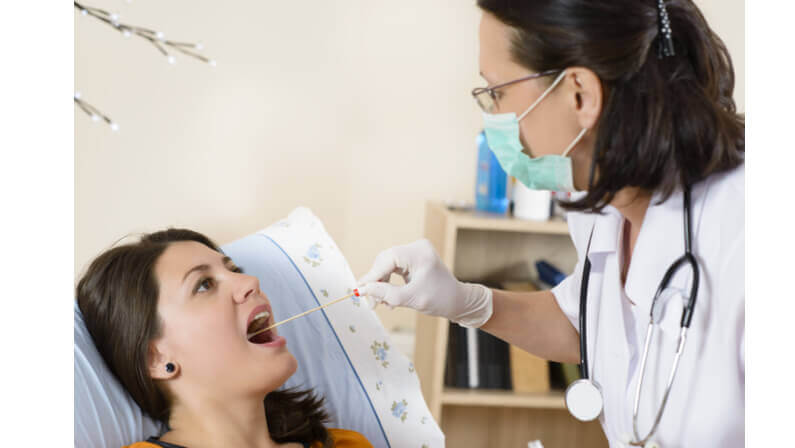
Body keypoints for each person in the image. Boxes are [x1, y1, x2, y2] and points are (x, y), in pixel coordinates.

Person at [358, 1, 744, 447]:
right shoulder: (600, 201)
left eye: (497, 92)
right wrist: (466, 301)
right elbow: (590, 327)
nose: (493, 116)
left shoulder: (749, 235)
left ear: (580, 94)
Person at [77, 228, 372, 448]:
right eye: (204, 285)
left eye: (235, 270)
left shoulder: (347, 445)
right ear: (155, 358)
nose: (249, 282)